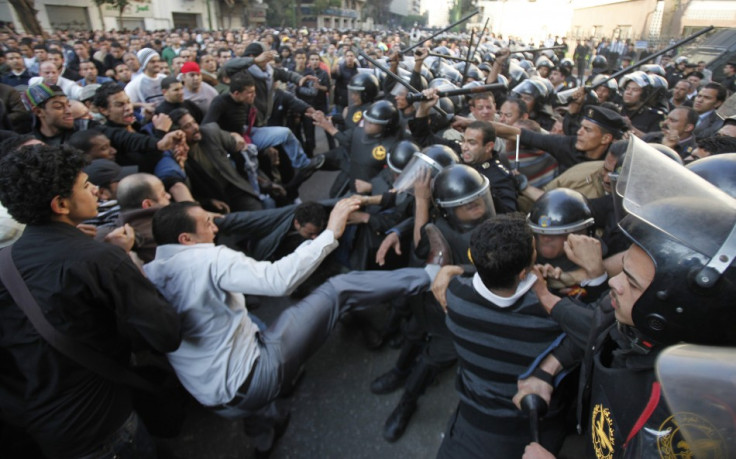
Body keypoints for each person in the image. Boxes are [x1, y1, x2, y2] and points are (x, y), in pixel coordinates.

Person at [143, 199, 434, 455]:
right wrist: (331, 233)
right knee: (338, 289)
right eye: (207, 223)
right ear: (186, 238)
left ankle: (264, 441)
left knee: (254, 330)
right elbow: (277, 281)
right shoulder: (207, 257)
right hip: (255, 377)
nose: (215, 229)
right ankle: (430, 277)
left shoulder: (145, 273)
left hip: (213, 397)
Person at [514, 139, 736, 458]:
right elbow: (601, 329)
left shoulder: (685, 413)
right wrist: (547, 369)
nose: (613, 284)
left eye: (630, 281)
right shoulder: (638, 324)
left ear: (679, 305)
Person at [0, 143, 180, 458]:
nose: (96, 190)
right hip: (107, 428)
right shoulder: (100, 259)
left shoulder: (5, 264)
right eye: (85, 186)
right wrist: (121, 262)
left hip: (50, 430)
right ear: (60, 204)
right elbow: (166, 334)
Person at [435, 213, 568, 458]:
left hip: (471, 424)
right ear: (522, 273)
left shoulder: (454, 294)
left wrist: (452, 270)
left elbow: (470, 275)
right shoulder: (551, 319)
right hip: (536, 429)